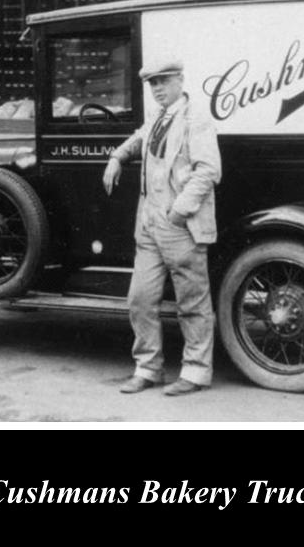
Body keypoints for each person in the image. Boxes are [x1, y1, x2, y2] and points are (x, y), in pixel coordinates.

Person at [103, 59, 221, 396]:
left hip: (179, 225)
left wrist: (179, 212)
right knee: (140, 299)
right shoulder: (156, 117)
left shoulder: (196, 119)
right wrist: (116, 157)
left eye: (164, 82)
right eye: (152, 83)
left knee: (192, 301)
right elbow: (139, 139)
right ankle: (147, 369)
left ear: (180, 80)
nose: (157, 89)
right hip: (150, 225)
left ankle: (196, 373)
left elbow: (208, 171)